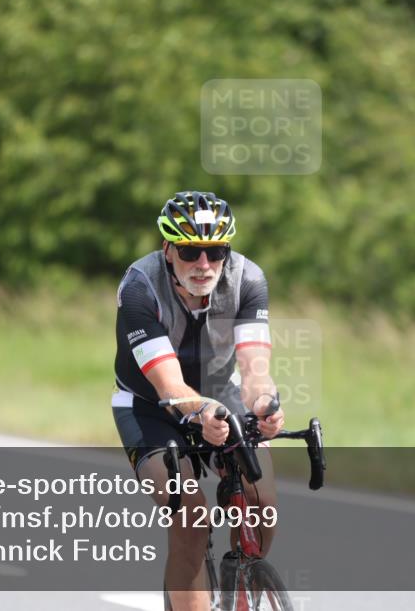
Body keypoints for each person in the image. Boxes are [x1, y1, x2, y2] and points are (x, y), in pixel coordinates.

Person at [112, 190, 284, 610]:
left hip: (221, 392)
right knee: (190, 516)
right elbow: (169, 386)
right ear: (168, 250)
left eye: (215, 251)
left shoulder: (248, 279)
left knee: (262, 504)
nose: (204, 264)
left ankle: (240, 583)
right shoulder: (140, 287)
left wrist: (264, 405)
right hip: (148, 405)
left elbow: (255, 369)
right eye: (190, 252)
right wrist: (202, 410)